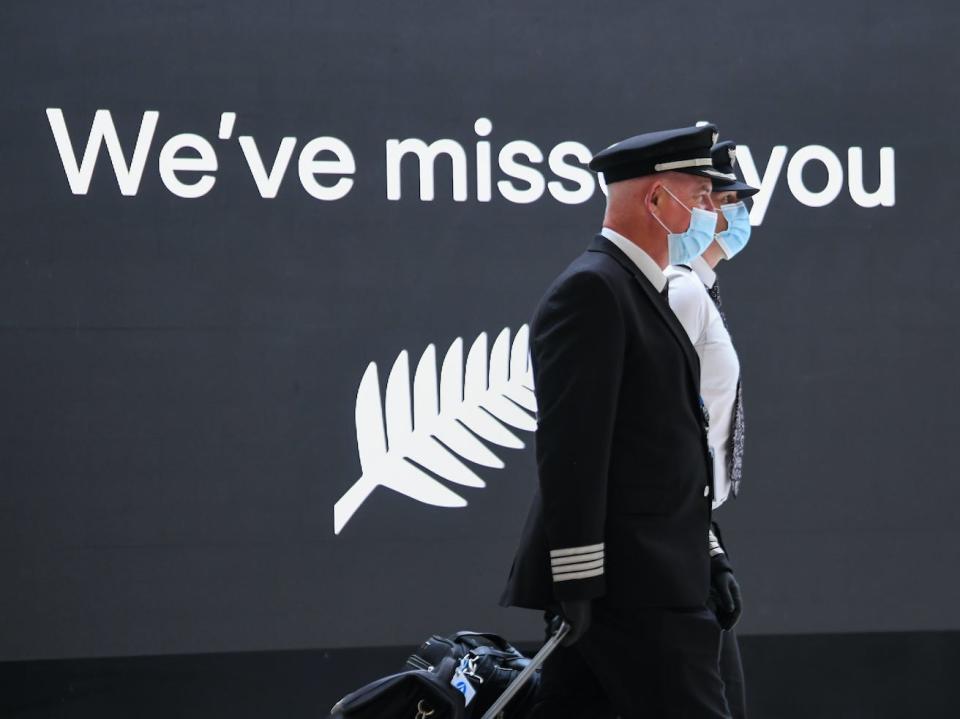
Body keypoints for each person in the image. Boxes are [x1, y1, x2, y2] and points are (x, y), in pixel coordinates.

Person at [500, 124, 732, 718]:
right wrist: (576, 583)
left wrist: (708, 553)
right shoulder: (592, 291)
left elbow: (666, 449)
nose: (714, 213)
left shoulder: (644, 289)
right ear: (656, 200)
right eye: (701, 197)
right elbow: (573, 452)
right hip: (630, 588)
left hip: (661, 575)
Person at [665, 139, 759, 719]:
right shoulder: (676, 291)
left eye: (732, 201)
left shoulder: (697, 286)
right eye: (717, 200)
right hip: (662, 541)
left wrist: (711, 546)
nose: (729, 215)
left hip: (689, 530)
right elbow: (660, 435)